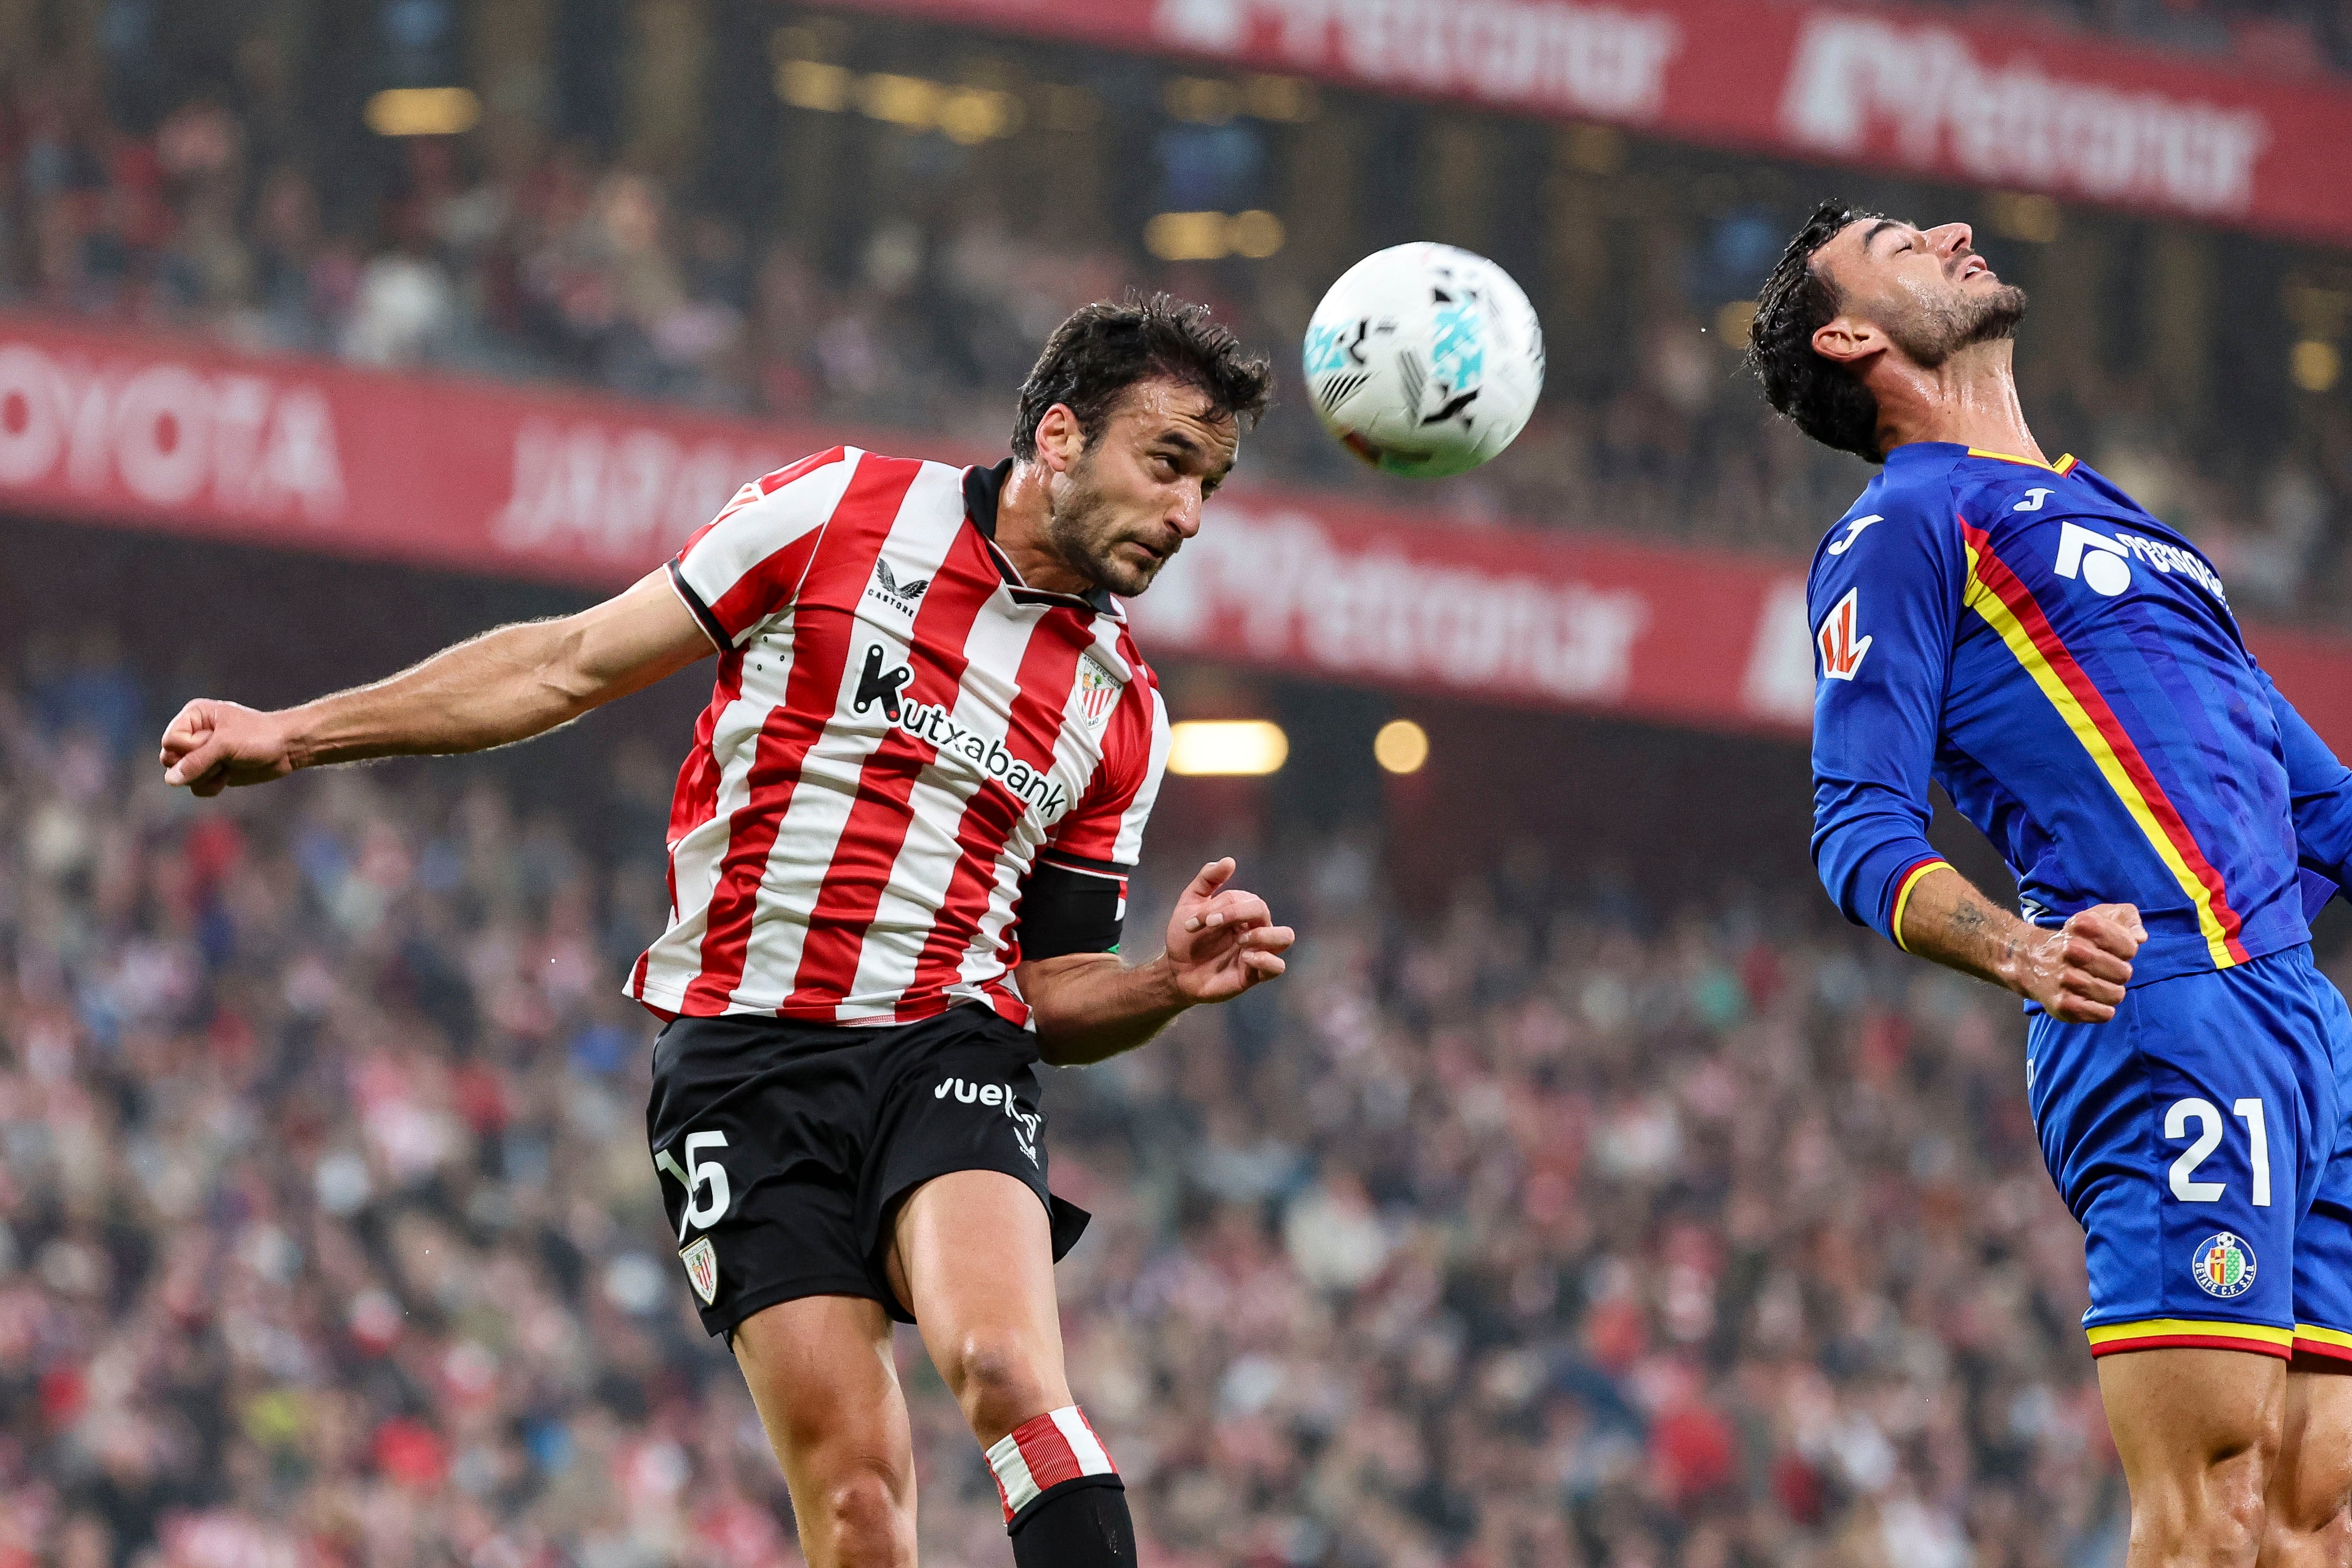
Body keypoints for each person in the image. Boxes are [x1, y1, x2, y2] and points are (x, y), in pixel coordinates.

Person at [157, 294, 1293, 1568]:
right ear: (1064, 435)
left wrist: (1164, 985)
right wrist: (294, 733)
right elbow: (569, 663)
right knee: (860, 1510)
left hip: (943, 1045)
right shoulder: (839, 513)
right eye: (1171, 464)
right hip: (738, 1068)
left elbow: (1051, 991)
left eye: (1214, 484)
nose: (1191, 515)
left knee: (1001, 1363)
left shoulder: (1122, 709)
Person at [1748, 202, 2352, 1565]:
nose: (1955, 230)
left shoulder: (2137, 528)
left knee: (2316, 1514)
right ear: (1851, 335)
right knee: (2212, 1509)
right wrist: (2020, 950)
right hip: (2165, 1016)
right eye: (1906, 244)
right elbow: (1857, 827)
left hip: (2304, 1024)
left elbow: (2322, 809)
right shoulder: (1901, 527)